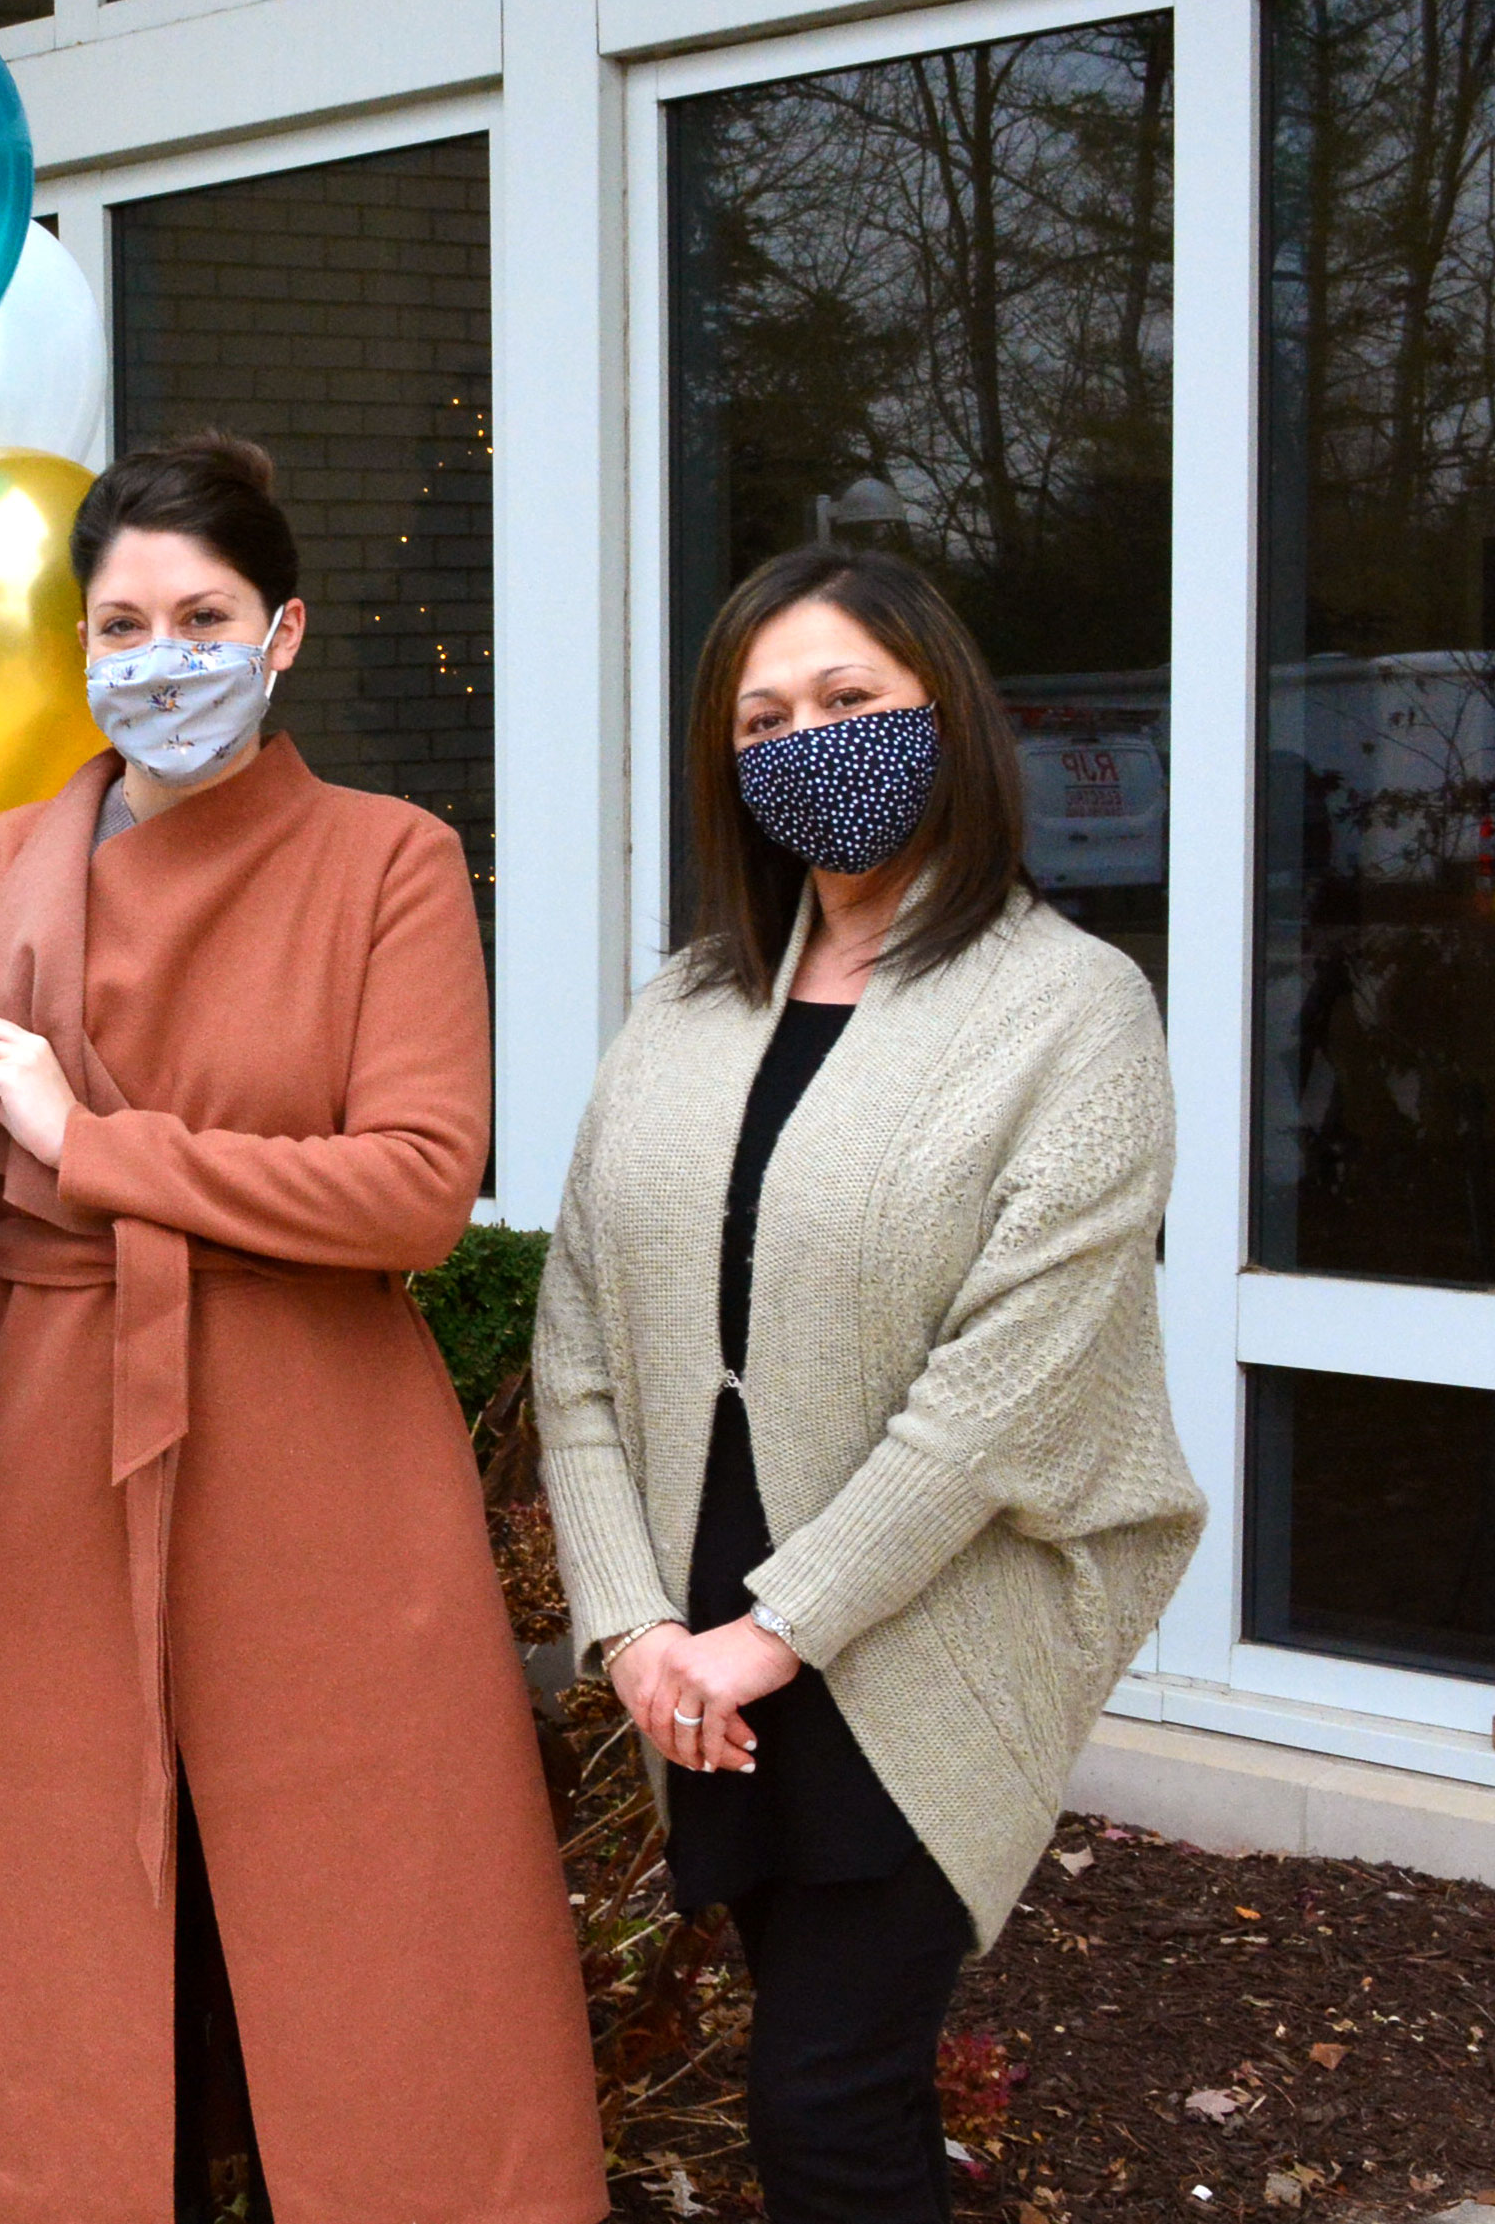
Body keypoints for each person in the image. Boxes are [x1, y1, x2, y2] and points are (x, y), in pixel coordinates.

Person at [0, 433, 609, 2224]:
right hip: (33, 1456)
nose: (162, 656)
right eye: (121, 623)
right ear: (77, 645)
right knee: (60, 1921)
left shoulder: (389, 860)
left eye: (203, 617)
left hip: (314, 1458)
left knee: (359, 1926)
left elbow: (415, 1187)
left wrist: (94, 1147)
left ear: (281, 633)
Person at [534, 543, 1203, 2221]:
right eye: (762, 719)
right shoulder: (682, 1008)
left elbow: (1006, 1389)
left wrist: (772, 1633)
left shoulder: (1068, 1009)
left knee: (822, 2103)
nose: (806, 742)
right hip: (698, 1657)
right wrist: (633, 1627)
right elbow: (577, 1341)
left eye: (847, 698)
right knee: (849, 2094)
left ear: (944, 716)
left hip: (912, 1640)